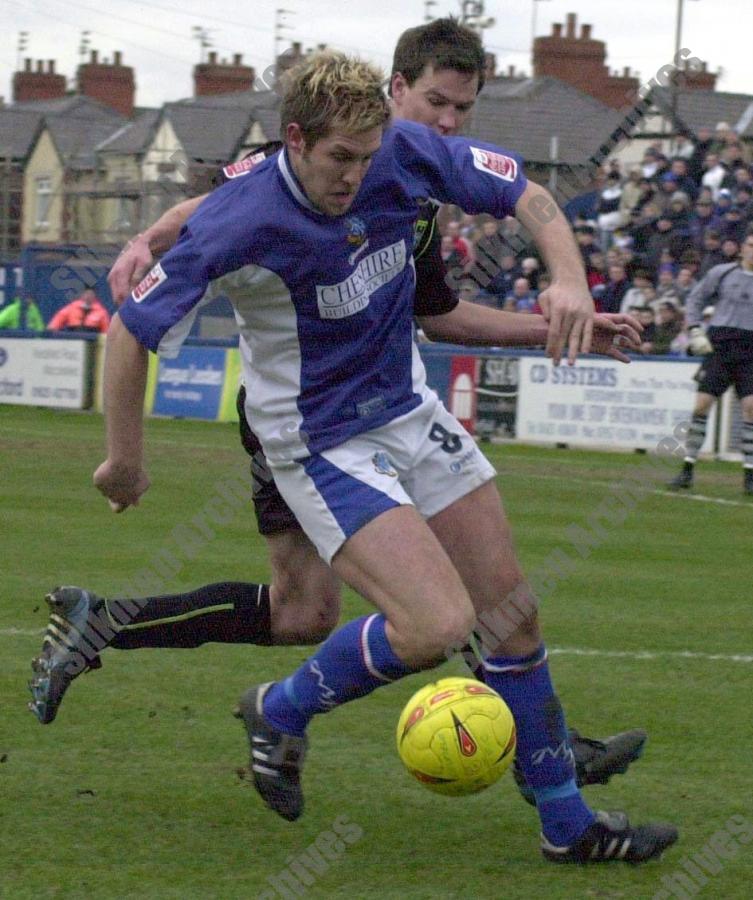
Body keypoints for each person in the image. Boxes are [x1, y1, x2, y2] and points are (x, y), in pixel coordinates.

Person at [81, 50, 676, 864]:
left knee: (511, 615)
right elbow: (128, 333)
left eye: (367, 157)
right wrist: (124, 461)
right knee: (433, 625)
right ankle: (281, 709)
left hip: (404, 410)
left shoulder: (400, 150)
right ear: (294, 139)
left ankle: (566, 828)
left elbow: (529, 196)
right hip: (319, 440)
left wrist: (567, 285)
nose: (357, 177)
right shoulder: (242, 216)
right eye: (338, 159)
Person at [669, 233, 753, 495]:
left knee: (751, 407)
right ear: (742, 248)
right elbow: (696, 299)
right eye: (751, 244)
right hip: (720, 343)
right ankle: (687, 469)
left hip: (750, 347)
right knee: (702, 405)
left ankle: (749, 475)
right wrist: (695, 330)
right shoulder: (722, 272)